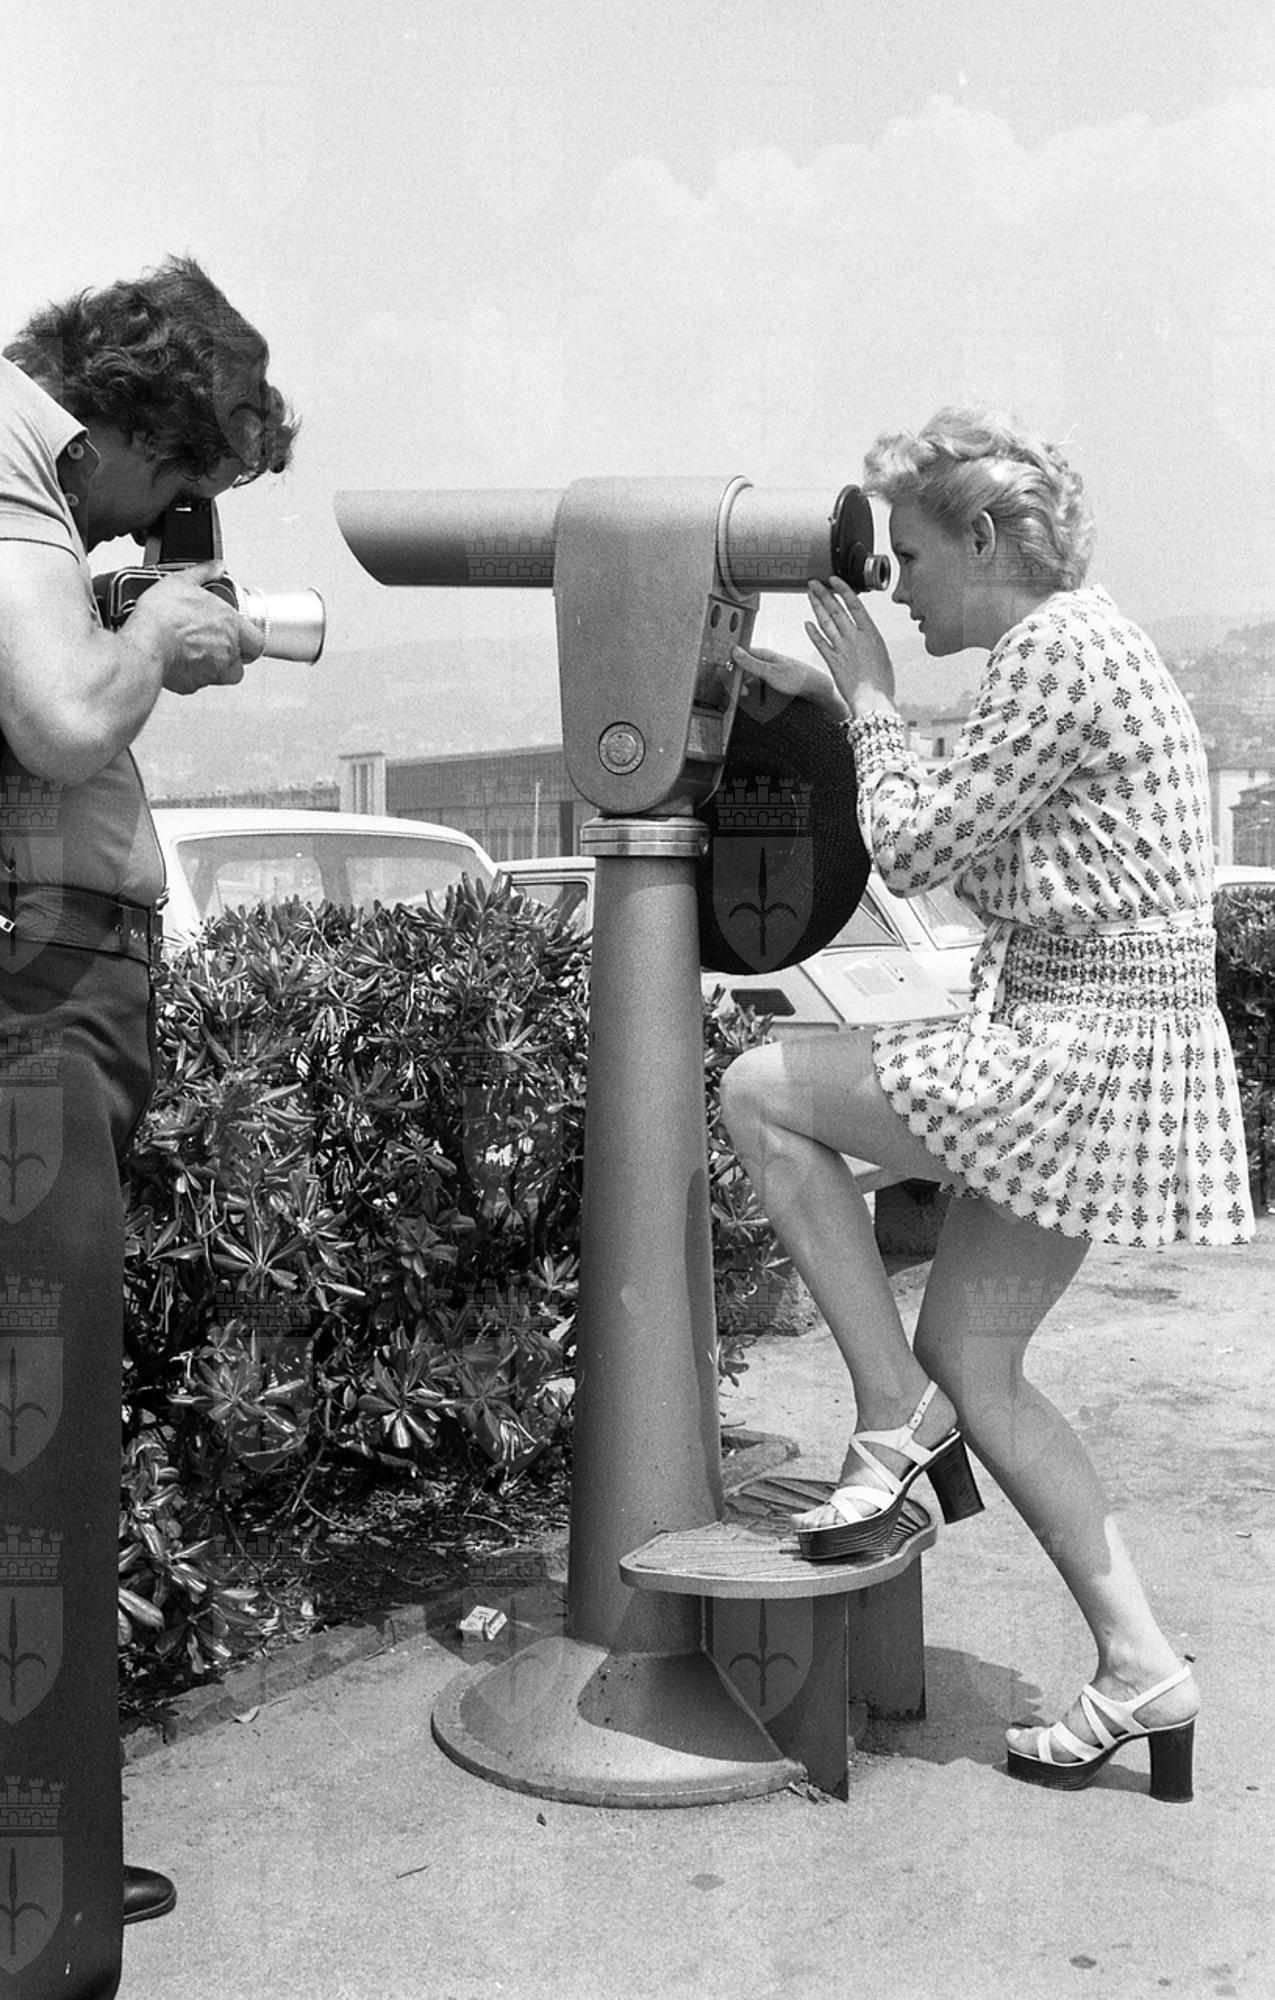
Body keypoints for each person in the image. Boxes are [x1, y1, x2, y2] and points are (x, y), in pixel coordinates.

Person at [722, 407, 1253, 1802]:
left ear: (987, 537)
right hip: (1109, 1048)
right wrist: (852, 707)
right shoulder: (1080, 646)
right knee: (978, 1352)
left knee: (760, 1090)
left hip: (1073, 1054)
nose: (895, 585)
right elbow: (969, 802)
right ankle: (1143, 1669)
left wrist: (866, 699)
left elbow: (911, 839)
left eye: (909, 555)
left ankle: (892, 1419)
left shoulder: (1057, 649)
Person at [0, 257, 294, 1990]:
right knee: (34, 1461)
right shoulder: (8, 452)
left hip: (53, 984)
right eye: (180, 481)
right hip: (36, 989)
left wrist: (125, 602)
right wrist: (155, 638)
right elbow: (57, 719)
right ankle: (41, 1927)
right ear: (125, 426)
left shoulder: (43, 494)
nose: (167, 518)